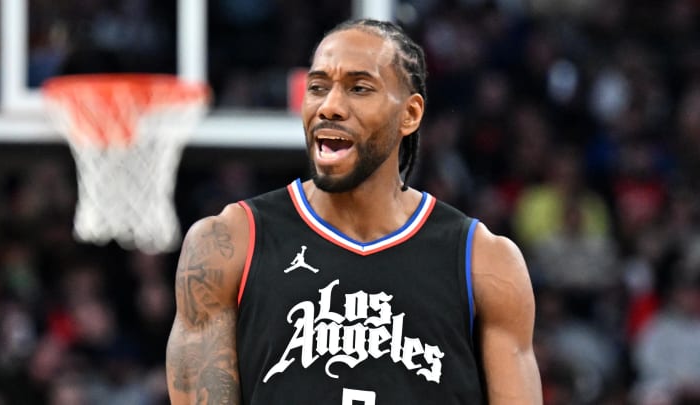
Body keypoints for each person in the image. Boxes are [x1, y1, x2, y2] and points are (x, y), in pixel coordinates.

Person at [166, 18, 541, 404]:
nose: (329, 106)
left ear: (410, 115)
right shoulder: (229, 244)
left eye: (359, 88)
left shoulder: (485, 260)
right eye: (317, 88)